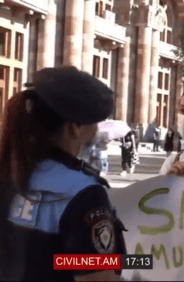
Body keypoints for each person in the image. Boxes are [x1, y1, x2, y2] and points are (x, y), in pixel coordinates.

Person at [0, 66, 126, 281]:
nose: (97, 130)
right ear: (74, 127)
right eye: (95, 121)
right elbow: (97, 276)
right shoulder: (82, 191)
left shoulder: (9, 172)